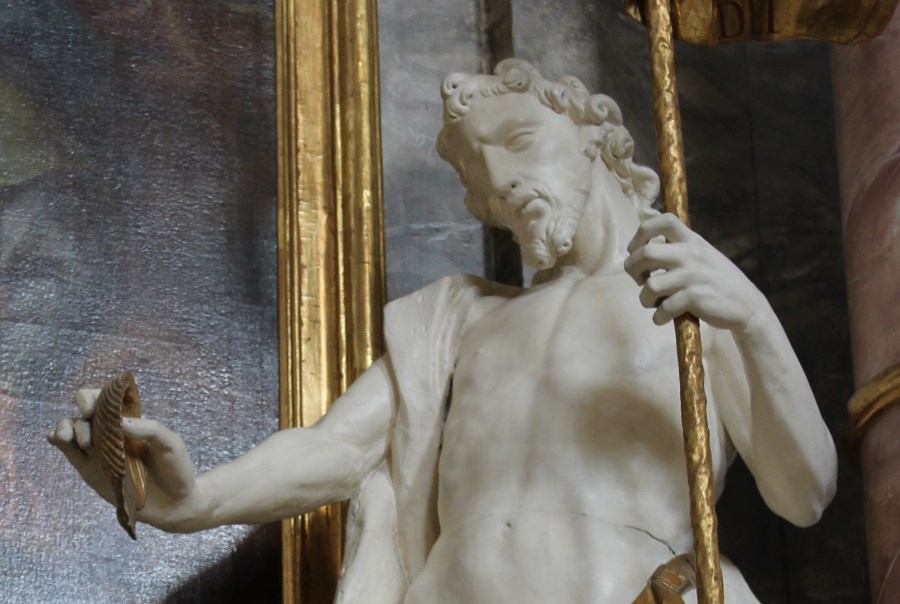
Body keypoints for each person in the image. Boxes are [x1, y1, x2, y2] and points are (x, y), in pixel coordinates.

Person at [49, 59, 837, 603]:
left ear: (595, 136)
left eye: (518, 143)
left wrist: (752, 315)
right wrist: (195, 501)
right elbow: (334, 449)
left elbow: (803, 493)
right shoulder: (460, 320)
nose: (499, 181)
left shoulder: (694, 302)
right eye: (476, 174)